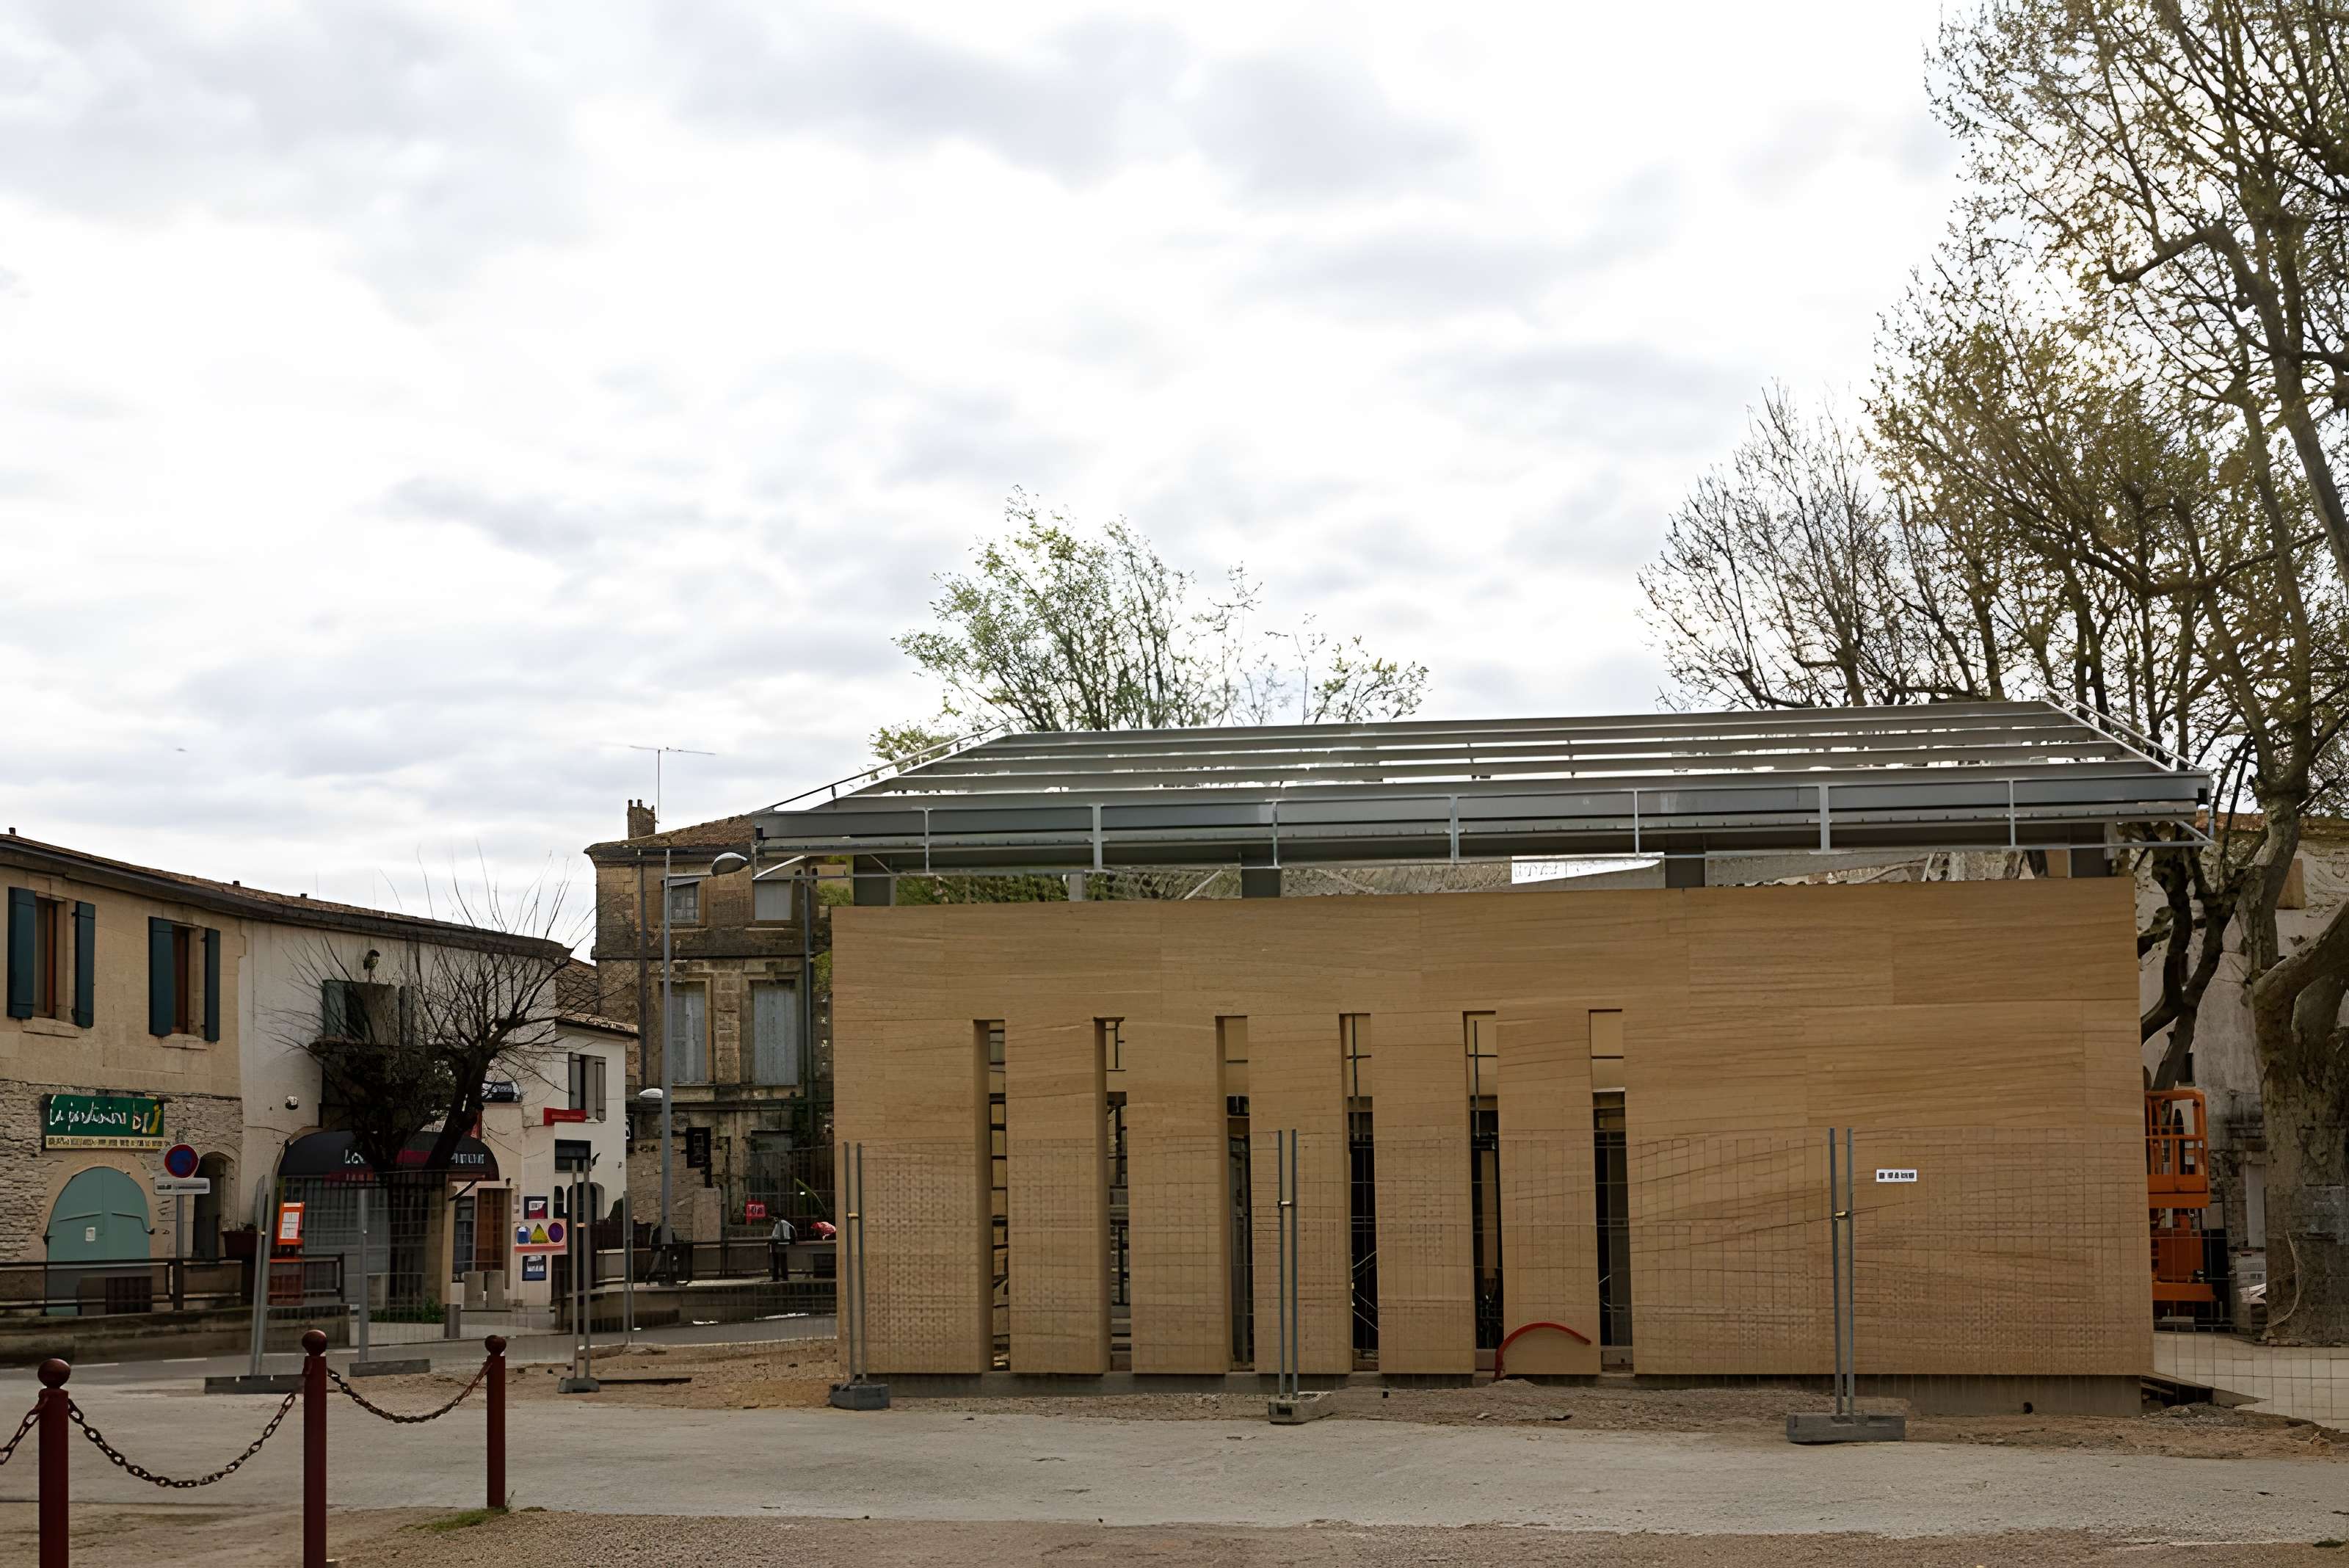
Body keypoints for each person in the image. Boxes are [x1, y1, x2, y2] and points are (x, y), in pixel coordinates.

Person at [767, 1213, 796, 1281]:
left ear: (775, 1218)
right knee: (778, 1261)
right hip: (779, 1244)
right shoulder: (779, 1223)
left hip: (781, 1244)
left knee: (780, 1261)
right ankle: (777, 1277)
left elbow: (781, 1236)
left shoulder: (781, 1223)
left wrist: (774, 1240)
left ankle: (782, 1277)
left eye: (772, 1219)